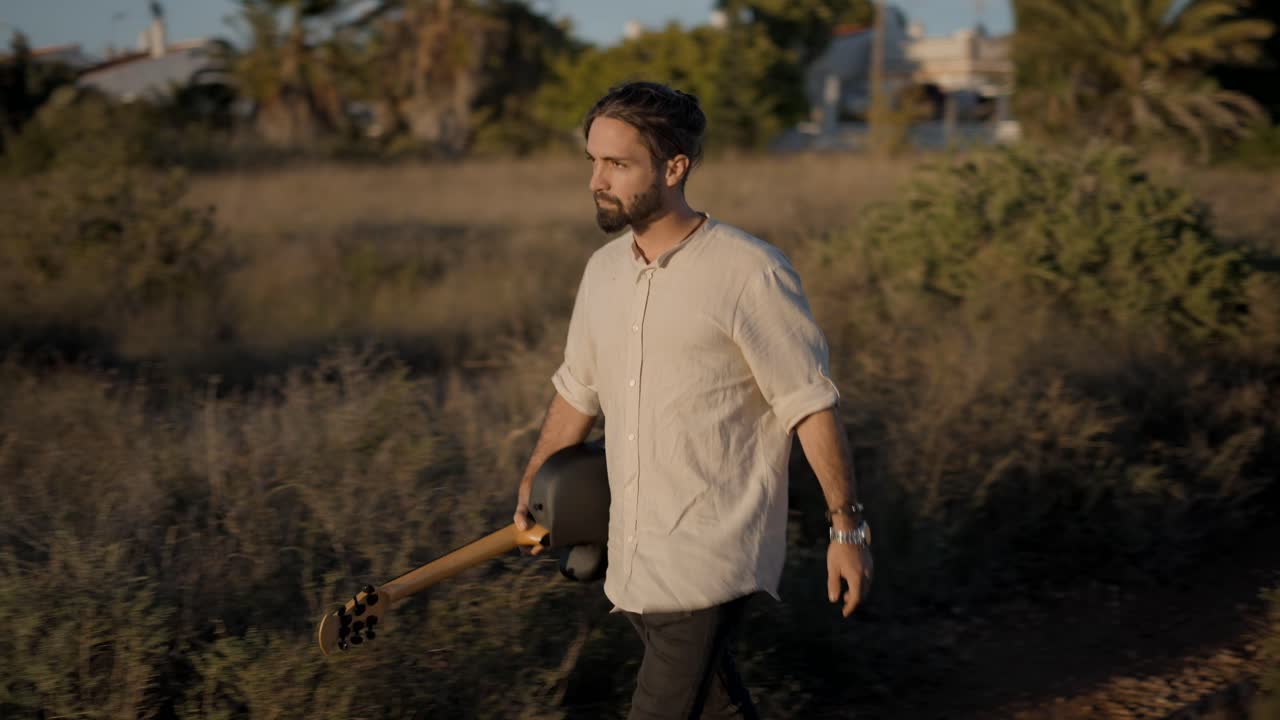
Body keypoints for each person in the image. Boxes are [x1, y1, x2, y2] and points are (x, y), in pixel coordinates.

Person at [513, 81, 872, 720]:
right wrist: (536, 483)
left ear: (675, 167)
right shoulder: (603, 272)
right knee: (712, 706)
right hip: (629, 552)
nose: (597, 180)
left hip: (708, 550)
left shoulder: (749, 272)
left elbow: (809, 405)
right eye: (593, 161)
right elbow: (578, 391)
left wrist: (847, 526)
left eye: (618, 164)